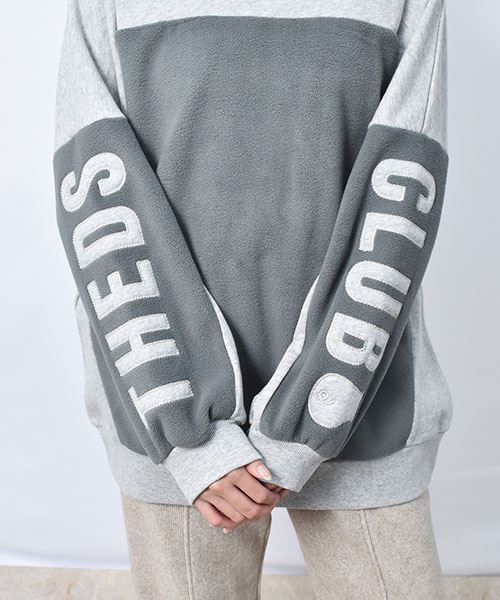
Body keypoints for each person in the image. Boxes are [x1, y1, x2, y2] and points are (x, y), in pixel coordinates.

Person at [53, 0, 452, 598]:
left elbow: (403, 197)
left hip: (361, 406)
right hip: (168, 409)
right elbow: (98, 200)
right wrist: (191, 435)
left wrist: (313, 414)